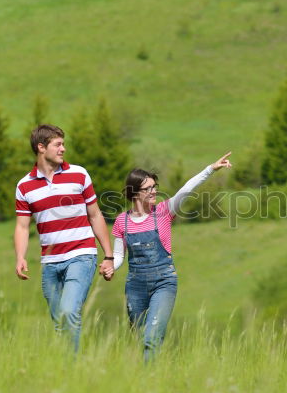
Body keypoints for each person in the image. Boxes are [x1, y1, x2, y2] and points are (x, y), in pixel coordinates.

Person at [103, 152, 233, 360]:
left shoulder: (164, 211)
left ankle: (150, 379)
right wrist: (111, 266)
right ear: (135, 193)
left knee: (152, 337)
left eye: (155, 187)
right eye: (148, 188)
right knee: (139, 337)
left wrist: (211, 168)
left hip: (164, 282)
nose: (154, 191)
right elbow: (119, 255)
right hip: (135, 286)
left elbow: (187, 188)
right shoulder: (122, 222)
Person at [14, 124, 114, 351]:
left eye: (63, 144)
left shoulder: (79, 174)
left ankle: (73, 367)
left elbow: (95, 215)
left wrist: (108, 255)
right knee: (59, 322)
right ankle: (67, 369)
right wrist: (20, 257)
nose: (63, 149)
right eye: (58, 144)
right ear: (41, 147)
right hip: (50, 262)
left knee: (69, 311)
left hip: (81, 255)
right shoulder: (24, 186)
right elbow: (22, 226)